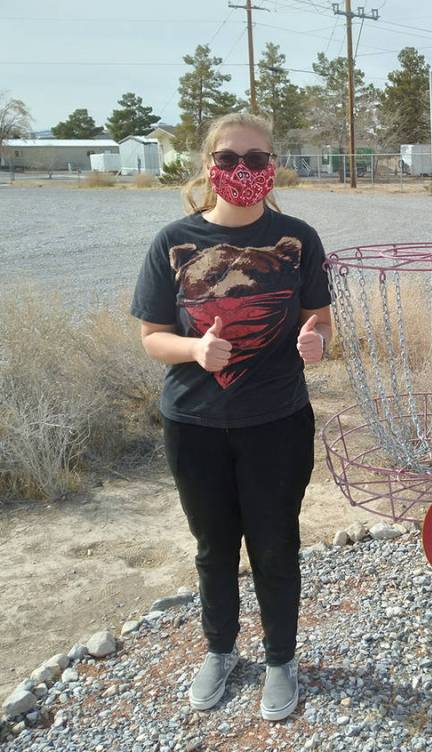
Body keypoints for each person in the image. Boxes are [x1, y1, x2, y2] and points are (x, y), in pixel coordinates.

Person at [130, 113, 331, 721]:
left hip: (277, 420)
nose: (241, 171)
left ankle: (280, 660)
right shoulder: (173, 242)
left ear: (271, 168)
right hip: (193, 424)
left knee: (275, 546)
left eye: (255, 159)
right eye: (227, 159)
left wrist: (316, 340)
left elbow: (318, 319)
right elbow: (151, 336)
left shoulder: (298, 239)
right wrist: (194, 349)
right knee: (213, 547)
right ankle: (219, 650)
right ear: (207, 165)